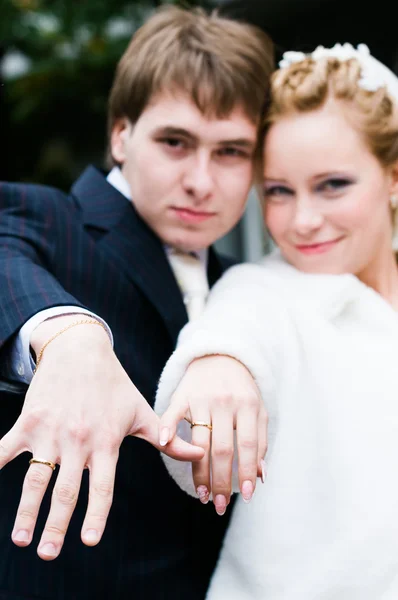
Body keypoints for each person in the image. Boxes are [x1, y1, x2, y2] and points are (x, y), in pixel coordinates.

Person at [0, 6, 274, 599]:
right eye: (176, 142)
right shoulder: (42, 219)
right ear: (120, 134)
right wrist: (66, 332)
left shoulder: (249, 285)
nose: (202, 181)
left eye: (231, 151)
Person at [155, 43, 398, 599]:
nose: (303, 221)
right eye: (280, 192)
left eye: (332, 184)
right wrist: (216, 364)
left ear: (393, 177)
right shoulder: (259, 291)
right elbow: (225, 348)